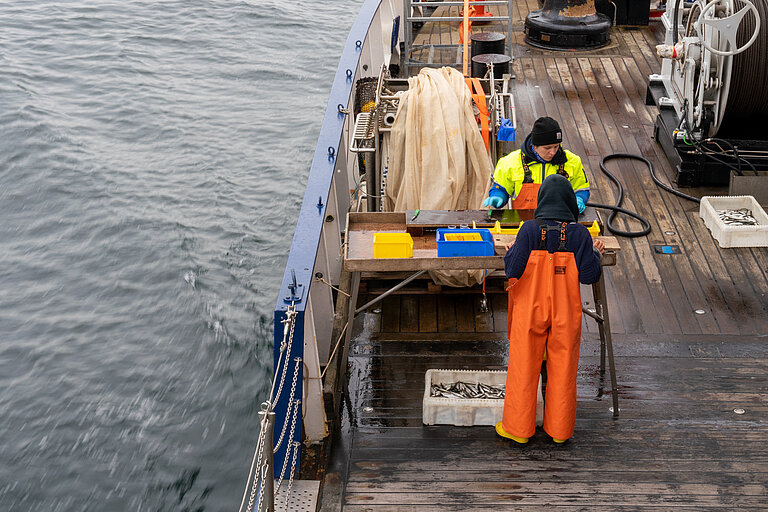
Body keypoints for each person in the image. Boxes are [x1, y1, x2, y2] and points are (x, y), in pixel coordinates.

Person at [496, 174, 605, 444]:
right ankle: (559, 432)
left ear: (542, 201)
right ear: (569, 203)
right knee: (563, 369)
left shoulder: (529, 230)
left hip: (530, 311)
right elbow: (589, 275)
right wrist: (595, 253)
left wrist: (512, 250)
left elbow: (512, 270)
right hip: (565, 313)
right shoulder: (579, 235)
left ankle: (519, 431)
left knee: (524, 367)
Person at [482, 117, 591, 212]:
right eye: (547, 148)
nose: (553, 152)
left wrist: (579, 198)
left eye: (556, 146)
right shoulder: (509, 163)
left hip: (561, 222)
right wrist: (498, 196)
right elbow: (500, 188)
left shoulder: (573, 161)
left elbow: (581, 189)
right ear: (534, 146)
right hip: (523, 224)